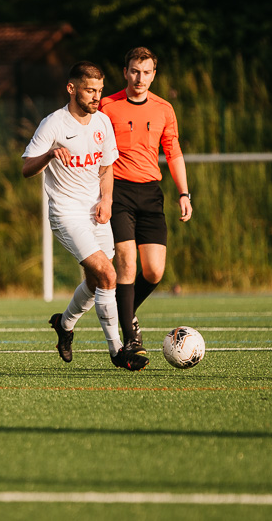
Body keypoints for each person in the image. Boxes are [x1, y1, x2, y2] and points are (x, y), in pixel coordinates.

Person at [24, 61, 139, 370]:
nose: (96, 96)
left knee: (95, 280)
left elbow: (106, 168)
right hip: (66, 213)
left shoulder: (102, 122)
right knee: (108, 275)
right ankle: (118, 351)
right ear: (71, 89)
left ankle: (64, 324)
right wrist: (49, 154)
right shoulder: (53, 124)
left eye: (99, 90)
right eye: (90, 90)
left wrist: (107, 200)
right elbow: (26, 168)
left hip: (95, 212)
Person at [87, 47, 191, 369]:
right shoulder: (107, 106)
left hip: (150, 194)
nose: (139, 78)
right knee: (127, 264)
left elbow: (173, 152)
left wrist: (184, 193)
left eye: (146, 72)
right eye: (134, 71)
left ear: (154, 75)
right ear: (125, 72)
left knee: (155, 271)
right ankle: (130, 338)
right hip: (118, 192)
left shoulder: (164, 109)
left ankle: (125, 311)